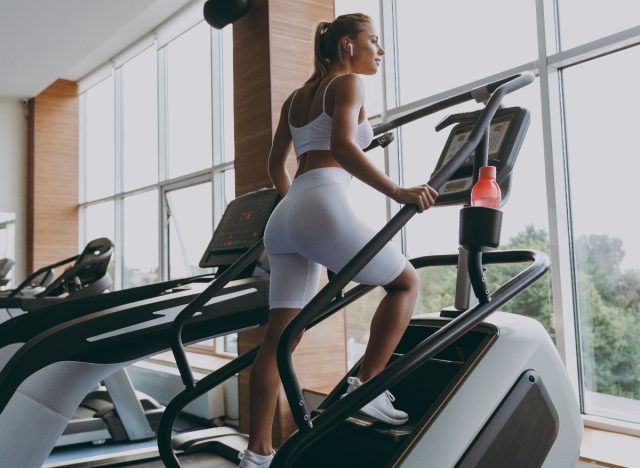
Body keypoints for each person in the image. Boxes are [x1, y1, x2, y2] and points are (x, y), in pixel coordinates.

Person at [238, 13, 438, 468]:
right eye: (374, 41)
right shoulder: (348, 85)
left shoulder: (295, 98)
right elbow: (345, 147)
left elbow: (276, 167)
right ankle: (368, 385)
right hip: (322, 203)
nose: (380, 51)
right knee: (405, 283)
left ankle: (257, 452)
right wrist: (399, 191)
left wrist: (298, 213)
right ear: (348, 45)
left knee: (279, 340)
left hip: (286, 217)